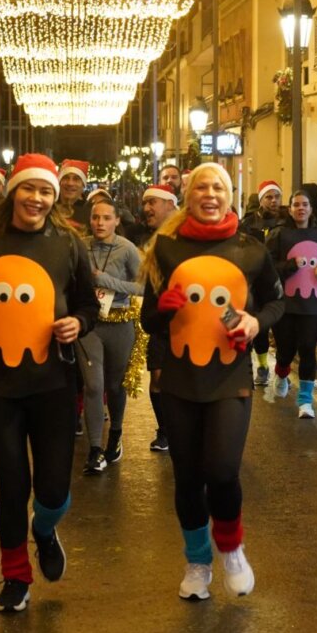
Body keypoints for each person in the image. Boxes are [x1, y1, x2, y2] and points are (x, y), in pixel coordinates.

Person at [0, 153, 99, 613]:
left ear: (55, 197)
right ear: (13, 192)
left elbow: (88, 305)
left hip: (52, 382)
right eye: (29, 189)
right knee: (12, 487)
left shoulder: (69, 244)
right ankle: (15, 575)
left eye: (46, 191)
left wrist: (78, 324)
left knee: (52, 490)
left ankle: (45, 529)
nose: (37, 198)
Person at [140, 162, 284, 600]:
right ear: (188, 196)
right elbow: (149, 321)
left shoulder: (251, 249)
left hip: (229, 377)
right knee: (187, 477)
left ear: (229, 195)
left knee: (221, 470)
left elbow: (277, 304)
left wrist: (256, 323)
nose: (210, 194)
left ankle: (232, 548)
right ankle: (197, 562)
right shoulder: (166, 249)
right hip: (180, 378)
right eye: (201, 187)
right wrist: (164, 307)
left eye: (218, 187)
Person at [80, 197, 143, 473]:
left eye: (106, 218)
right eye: (95, 217)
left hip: (120, 323)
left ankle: (115, 435)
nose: (100, 223)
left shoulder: (127, 249)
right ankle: (95, 448)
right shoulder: (81, 246)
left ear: (117, 220)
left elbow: (143, 287)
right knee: (93, 385)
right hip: (90, 325)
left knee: (115, 386)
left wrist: (105, 280)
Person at [266, 188, 317, 419]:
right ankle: (281, 372)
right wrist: (290, 265)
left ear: (311, 209)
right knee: (286, 349)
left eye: (305, 204)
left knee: (308, 348)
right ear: (289, 209)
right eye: (296, 204)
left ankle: (306, 401)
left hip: (314, 304)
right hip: (285, 304)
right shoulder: (278, 234)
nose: (301, 208)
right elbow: (267, 265)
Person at [126, 183, 179, 451]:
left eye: (152, 203)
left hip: (188, 320)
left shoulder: (187, 231)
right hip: (158, 313)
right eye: (145, 203)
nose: (147, 208)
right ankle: (165, 431)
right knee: (157, 375)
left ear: (170, 204)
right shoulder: (144, 235)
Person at [239, 180, 287, 386]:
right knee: (260, 327)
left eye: (277, 196)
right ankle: (262, 366)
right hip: (257, 283)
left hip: (284, 279)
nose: (273, 201)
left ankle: (282, 369)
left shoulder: (287, 221)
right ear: (261, 200)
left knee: (284, 331)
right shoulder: (249, 223)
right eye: (269, 197)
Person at [57, 159, 91, 227]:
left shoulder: (91, 212)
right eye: (66, 178)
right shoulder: (48, 208)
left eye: (76, 179)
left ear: (83, 184)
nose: (70, 183)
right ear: (59, 182)